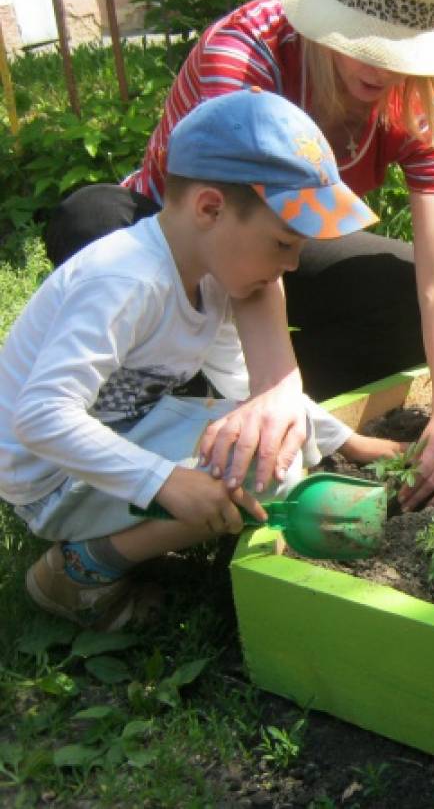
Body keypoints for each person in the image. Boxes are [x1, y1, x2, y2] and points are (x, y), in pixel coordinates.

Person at [42, 0, 434, 510]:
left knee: (425, 301)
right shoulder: (248, 50)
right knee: (89, 223)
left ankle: (244, 412)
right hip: (189, 241)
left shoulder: (421, 106)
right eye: (363, 42)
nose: (381, 67)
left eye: (402, 51)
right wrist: (276, 384)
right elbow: (238, 230)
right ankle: (191, 399)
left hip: (284, 242)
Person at [3, 89, 407, 631]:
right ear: (210, 208)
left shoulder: (210, 278)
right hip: (52, 481)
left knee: (265, 444)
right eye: (283, 243)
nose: (290, 266)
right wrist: (164, 482)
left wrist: (345, 440)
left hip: (123, 435)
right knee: (259, 476)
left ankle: (152, 523)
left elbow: (248, 388)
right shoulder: (124, 280)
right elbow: (40, 417)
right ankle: (78, 571)